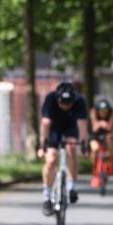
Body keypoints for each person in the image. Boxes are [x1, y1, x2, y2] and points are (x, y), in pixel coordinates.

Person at [38, 81, 89, 216]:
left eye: (68, 103)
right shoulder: (50, 98)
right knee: (51, 160)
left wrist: (84, 146)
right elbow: (45, 123)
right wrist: (42, 146)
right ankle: (47, 197)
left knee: (72, 149)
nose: (65, 106)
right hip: (54, 128)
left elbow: (82, 125)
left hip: (70, 127)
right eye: (63, 103)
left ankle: (72, 187)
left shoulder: (79, 101)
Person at [89, 98, 113, 180]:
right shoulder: (93, 112)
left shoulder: (112, 112)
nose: (103, 112)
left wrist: (101, 124)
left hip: (107, 133)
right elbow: (94, 128)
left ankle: (110, 163)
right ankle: (94, 168)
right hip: (95, 134)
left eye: (105, 110)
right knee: (95, 148)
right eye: (101, 110)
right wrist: (101, 123)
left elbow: (110, 127)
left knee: (109, 140)